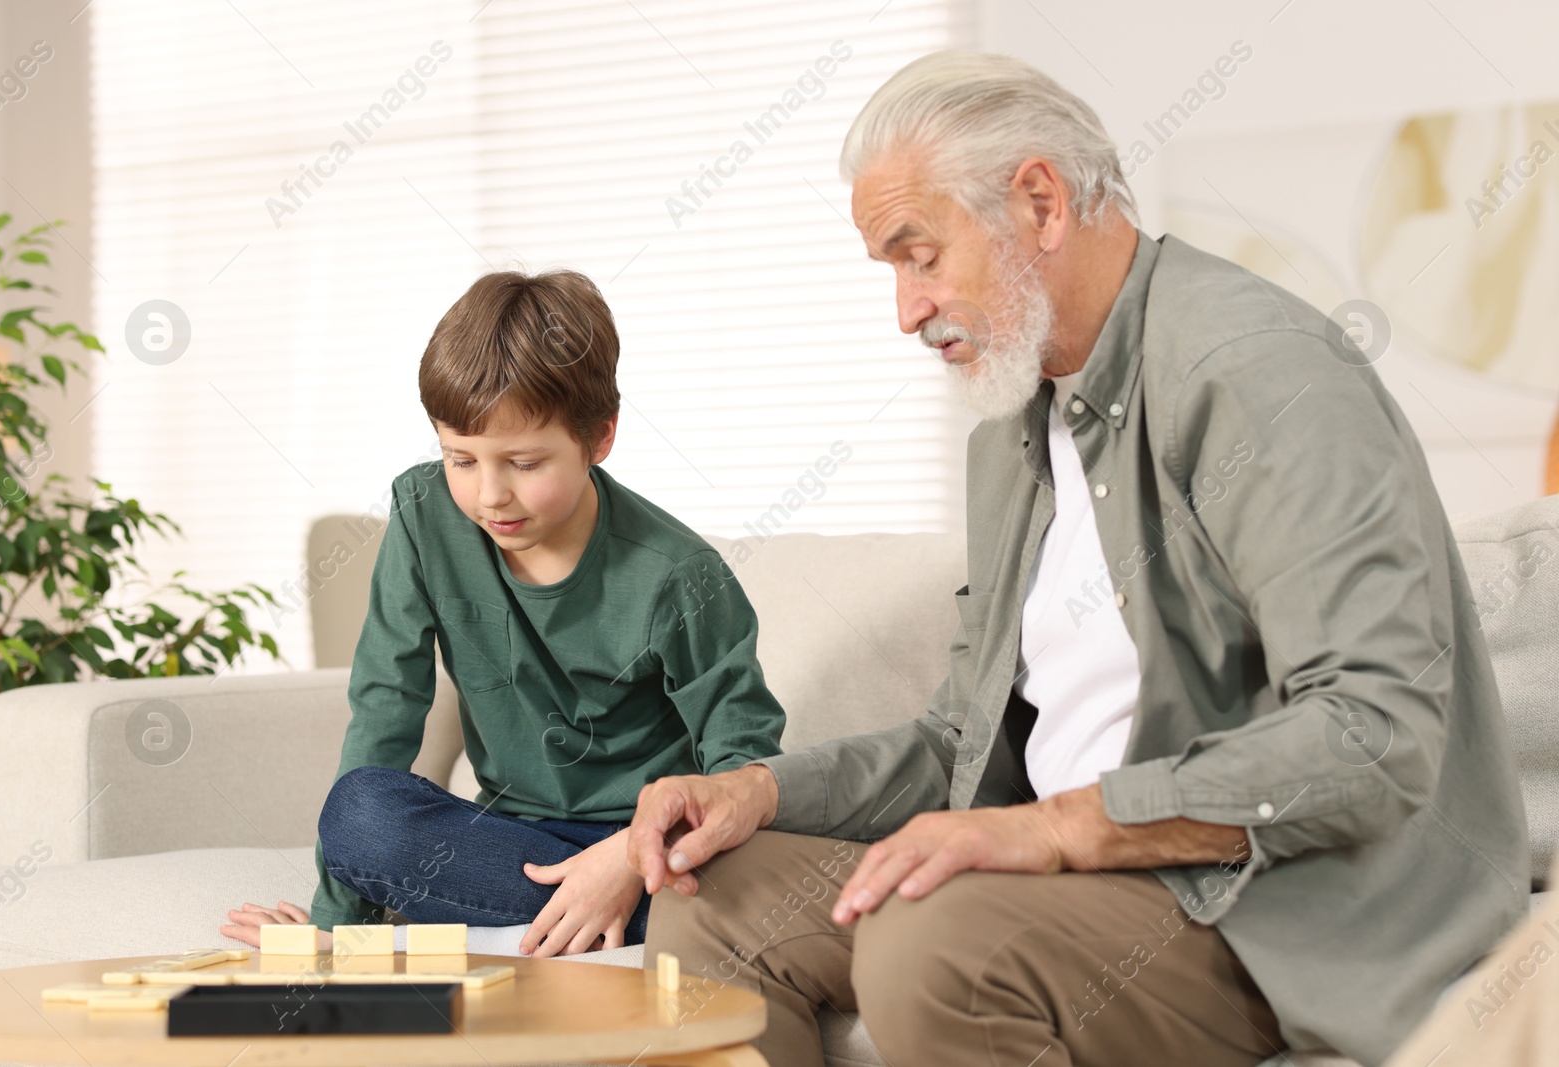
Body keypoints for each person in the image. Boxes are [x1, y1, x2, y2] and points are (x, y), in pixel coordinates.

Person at [625, 51, 1529, 1067]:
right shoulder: (1015, 429)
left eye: (917, 254)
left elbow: (1371, 734)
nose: (905, 310)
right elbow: (955, 742)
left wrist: (1057, 828)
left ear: (1040, 204)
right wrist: (761, 789)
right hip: (1078, 890)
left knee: (934, 942)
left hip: (1268, 912)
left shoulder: (1254, 372)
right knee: (710, 901)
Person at [223, 268, 786, 957]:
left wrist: (631, 862)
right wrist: (333, 930)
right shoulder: (424, 514)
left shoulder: (677, 573)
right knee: (361, 811)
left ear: (599, 437)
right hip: (505, 842)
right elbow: (384, 707)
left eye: (522, 461)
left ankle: (540, 924)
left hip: (641, 849)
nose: (490, 495)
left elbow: (744, 763)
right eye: (460, 458)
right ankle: (554, 927)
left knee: (744, 878)